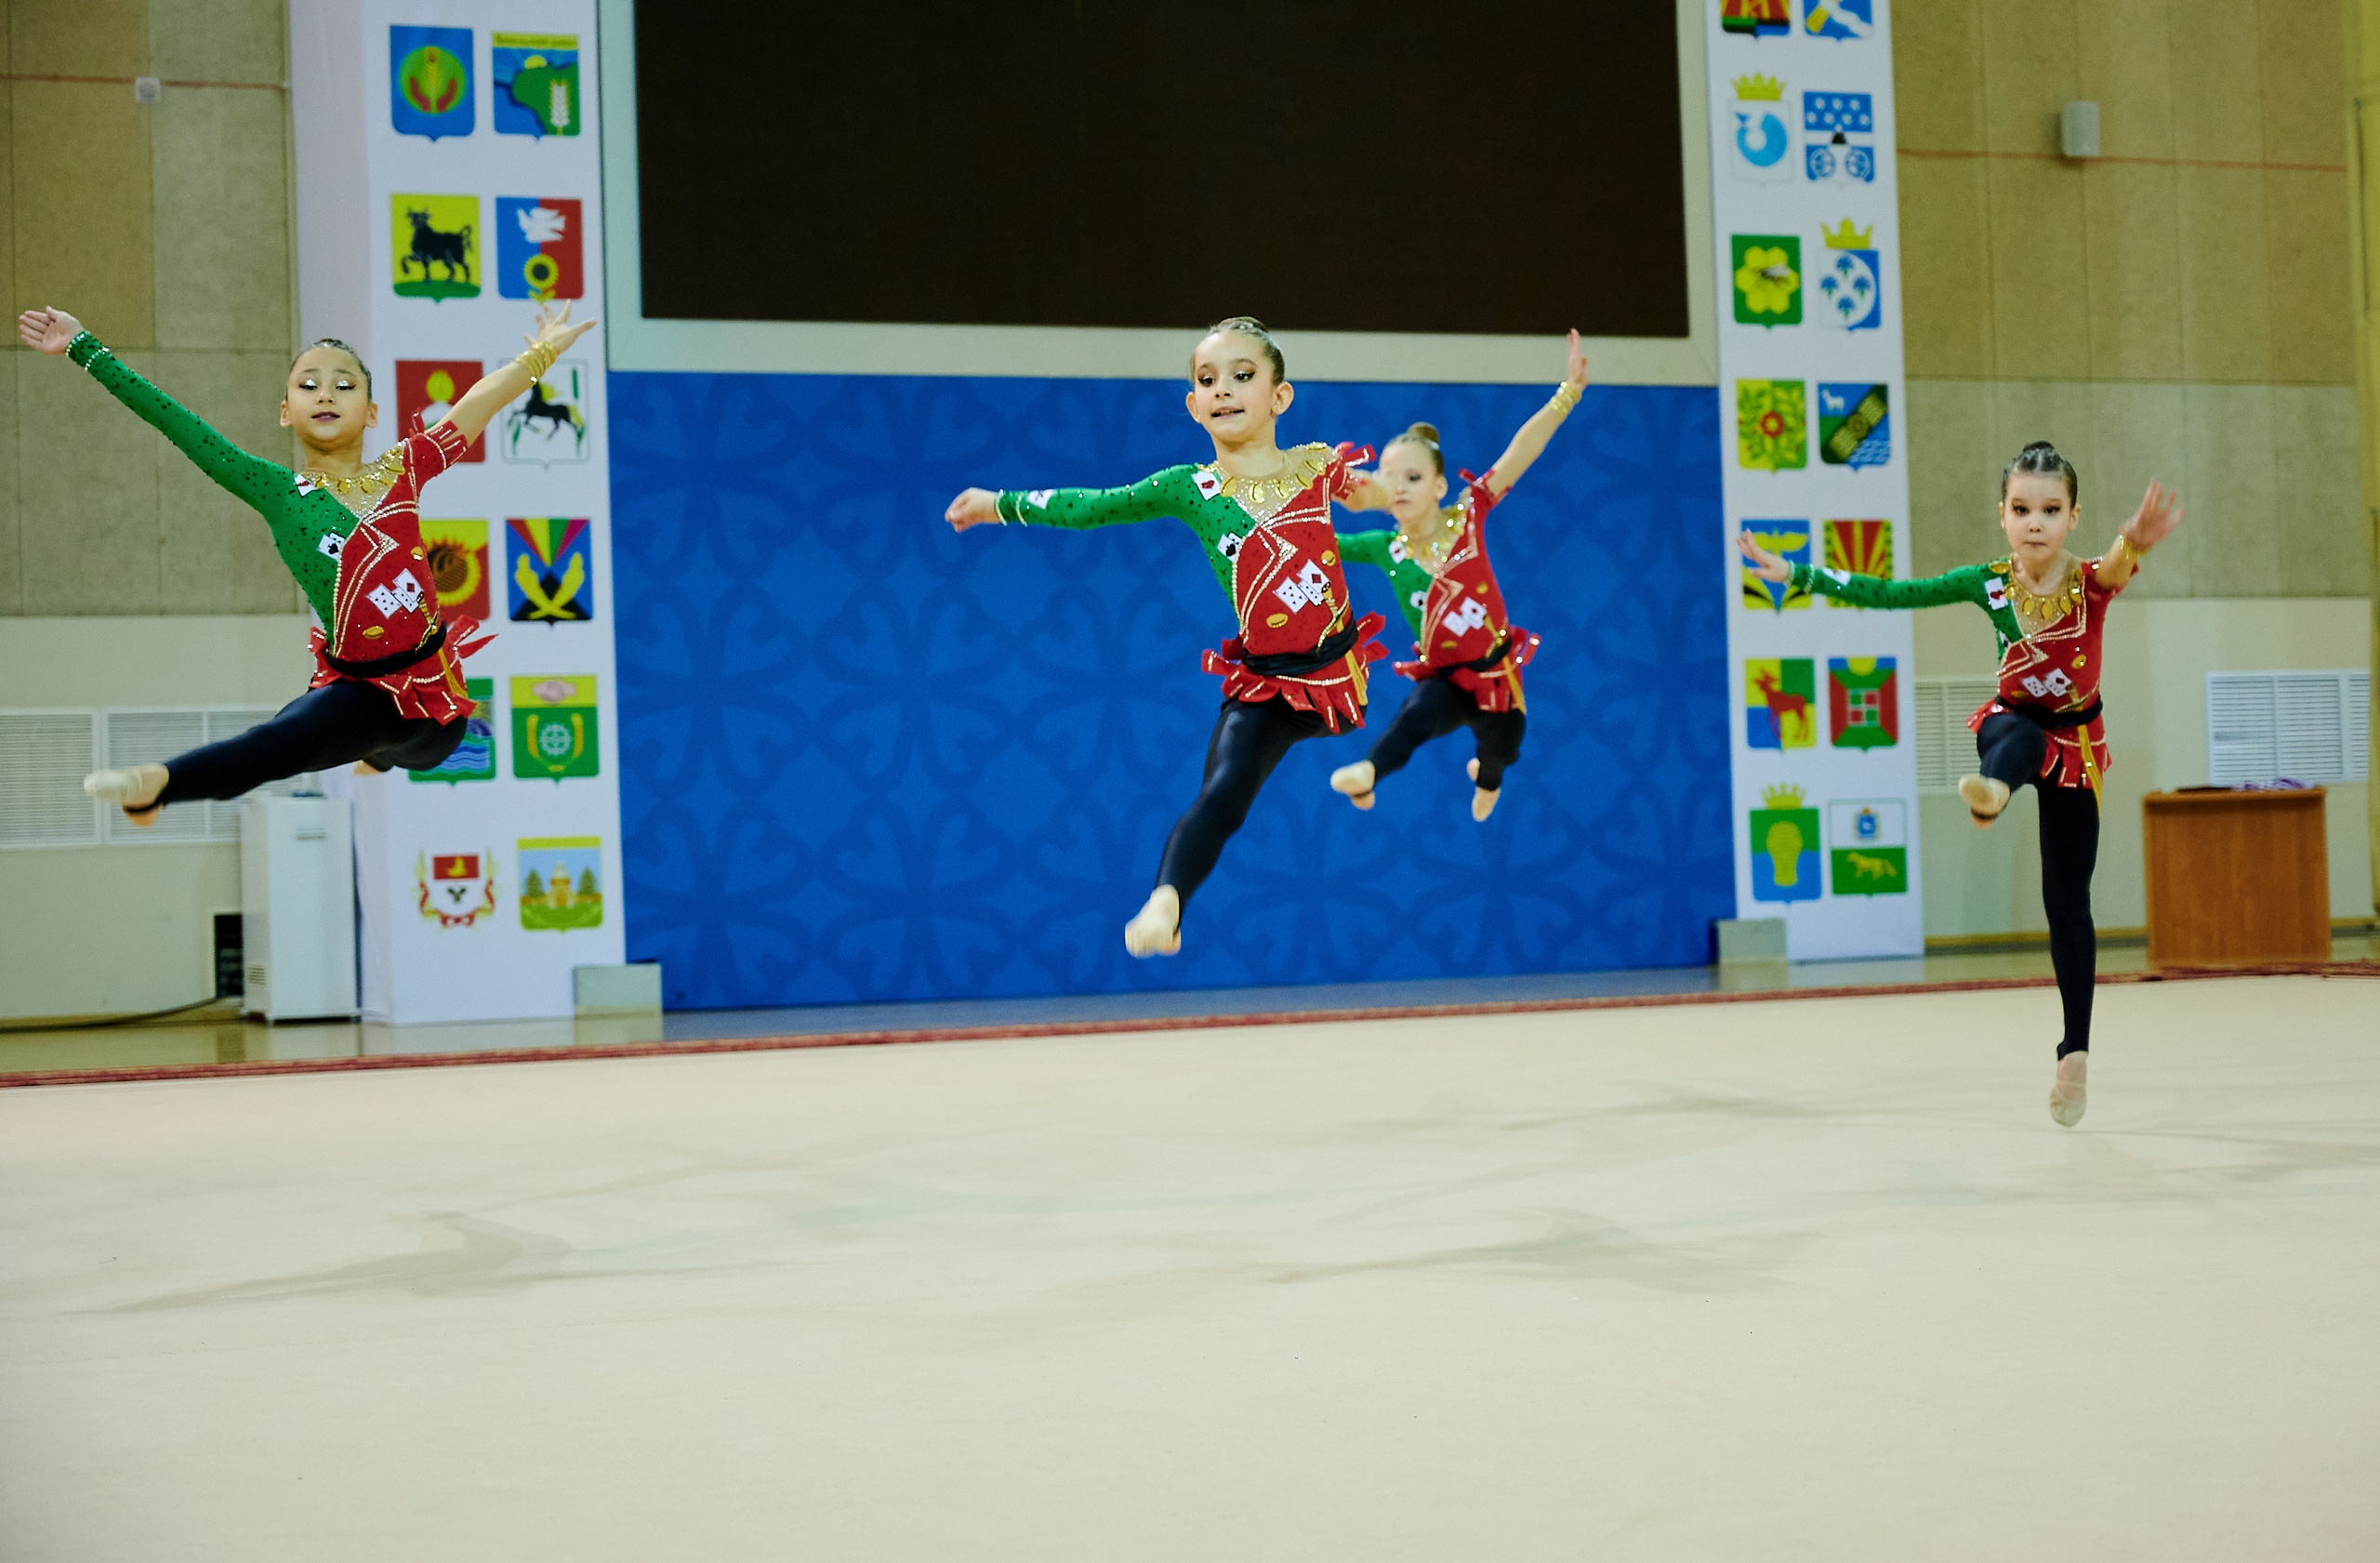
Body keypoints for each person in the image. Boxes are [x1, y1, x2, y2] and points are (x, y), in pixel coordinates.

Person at [1737, 441, 2184, 1127]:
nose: (2035, 522)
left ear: (2072, 516)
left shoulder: (2092, 581)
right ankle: (1995, 791)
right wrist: (1798, 572)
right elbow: (1892, 593)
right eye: (2022, 508)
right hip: (2009, 731)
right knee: (2021, 737)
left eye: (2051, 509)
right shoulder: (1989, 582)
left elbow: (2121, 561)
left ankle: (2075, 1051)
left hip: (2078, 746)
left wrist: (2135, 538)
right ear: (2002, 514)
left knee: (2068, 902)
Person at [19, 301, 596, 825]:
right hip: (361, 690)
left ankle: (379, 759)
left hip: (435, 701)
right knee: (284, 740)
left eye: (343, 386)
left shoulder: (403, 470)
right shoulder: (272, 490)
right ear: (285, 412)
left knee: (404, 749)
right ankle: (159, 784)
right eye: (308, 385)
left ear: (371, 413)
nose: (325, 394)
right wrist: (82, 346)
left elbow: (478, 402)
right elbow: (179, 424)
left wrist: (542, 350)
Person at [945, 316, 1385, 959]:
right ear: (1193, 405)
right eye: (1208, 380)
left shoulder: (1316, 465)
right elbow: (1094, 505)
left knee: (1343, 731)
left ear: (1280, 396)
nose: (1224, 389)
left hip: (1338, 678)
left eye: (1242, 375)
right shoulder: (1191, 488)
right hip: (1265, 682)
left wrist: (1392, 494)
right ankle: (1166, 904)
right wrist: (998, 502)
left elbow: (1372, 493)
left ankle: (1367, 776)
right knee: (1227, 786)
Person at [1329, 330, 1588, 821]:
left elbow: (1520, 453)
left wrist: (1568, 394)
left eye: (1414, 477)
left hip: (1497, 670)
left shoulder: (1468, 517)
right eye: (1389, 478)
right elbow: (1316, 543)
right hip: (1445, 679)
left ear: (1440, 486)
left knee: (1504, 747)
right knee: (1417, 715)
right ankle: (1368, 773)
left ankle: (1487, 780)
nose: (1399, 487)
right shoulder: (1384, 547)